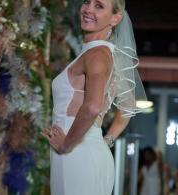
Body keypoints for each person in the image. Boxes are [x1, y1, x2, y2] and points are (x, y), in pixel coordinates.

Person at [41, 0, 146, 194]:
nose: (88, 9)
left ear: (115, 18)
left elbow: (92, 106)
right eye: (87, 2)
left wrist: (65, 144)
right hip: (91, 149)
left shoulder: (97, 54)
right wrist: (106, 140)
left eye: (99, 6)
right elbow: (128, 105)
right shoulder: (108, 54)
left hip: (75, 152)